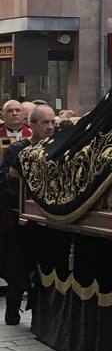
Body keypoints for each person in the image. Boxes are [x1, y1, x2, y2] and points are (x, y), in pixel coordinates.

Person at [2, 103, 55, 325]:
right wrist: (16, 172)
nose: (51, 127)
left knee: (44, 267)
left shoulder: (57, 146)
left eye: (53, 122)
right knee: (19, 266)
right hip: (21, 218)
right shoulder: (18, 149)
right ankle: (13, 310)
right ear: (32, 125)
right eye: (45, 123)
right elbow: (5, 180)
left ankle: (41, 315)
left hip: (49, 216)